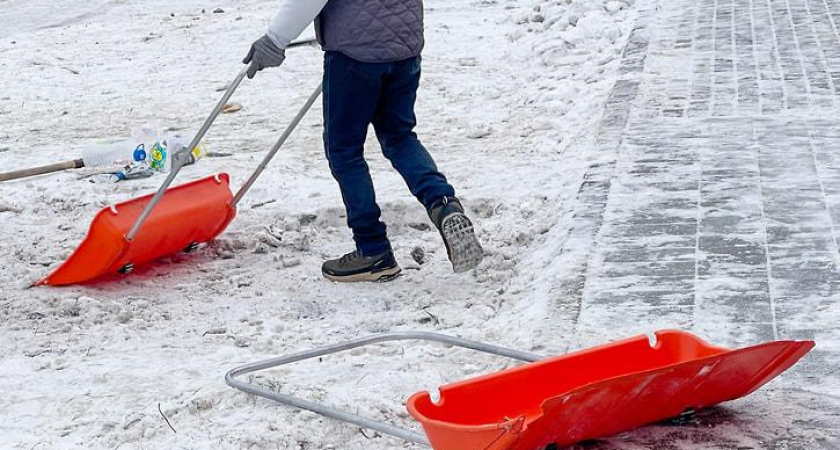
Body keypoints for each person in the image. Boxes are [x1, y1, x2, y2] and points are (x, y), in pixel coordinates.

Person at [244, 0, 483, 282]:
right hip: (404, 48)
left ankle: (373, 250)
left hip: (355, 56)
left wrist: (275, 39)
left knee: (345, 151)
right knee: (400, 137)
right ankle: (444, 205)